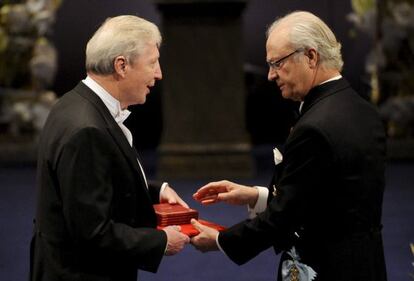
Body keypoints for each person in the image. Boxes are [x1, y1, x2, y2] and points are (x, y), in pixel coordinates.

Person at [190, 11, 387, 281]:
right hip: (365, 263)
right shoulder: (362, 110)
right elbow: (328, 197)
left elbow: (285, 218)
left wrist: (222, 240)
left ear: (311, 57)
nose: (271, 75)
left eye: (277, 63)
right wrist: (255, 196)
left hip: (325, 268)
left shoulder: (315, 126)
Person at [30, 15, 190, 281]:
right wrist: (160, 241)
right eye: (152, 63)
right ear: (121, 66)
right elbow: (93, 233)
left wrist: (155, 190)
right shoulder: (87, 131)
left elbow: (93, 182)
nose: (159, 73)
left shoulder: (74, 103)